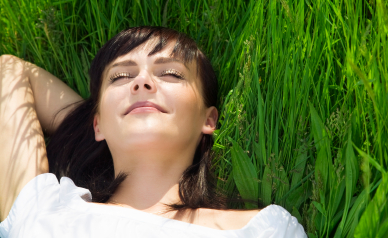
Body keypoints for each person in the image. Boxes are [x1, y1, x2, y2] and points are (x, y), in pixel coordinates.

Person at [0, 26, 306, 237]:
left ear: (209, 120)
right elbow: (10, 70)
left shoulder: (264, 230)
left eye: (171, 73)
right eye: (121, 77)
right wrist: (108, 120)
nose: (141, 83)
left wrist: (119, 117)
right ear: (97, 125)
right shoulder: (44, 208)